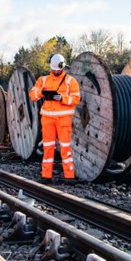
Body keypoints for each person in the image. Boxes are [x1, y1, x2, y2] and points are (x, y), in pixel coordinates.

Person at [28, 53, 81, 184]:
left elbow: (76, 98)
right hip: (47, 118)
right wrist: (42, 92)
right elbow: (32, 94)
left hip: (63, 118)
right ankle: (46, 176)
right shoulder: (43, 80)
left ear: (63, 67)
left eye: (58, 69)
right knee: (48, 147)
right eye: (54, 69)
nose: (56, 71)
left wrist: (62, 98)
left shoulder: (70, 81)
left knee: (65, 147)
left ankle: (69, 176)